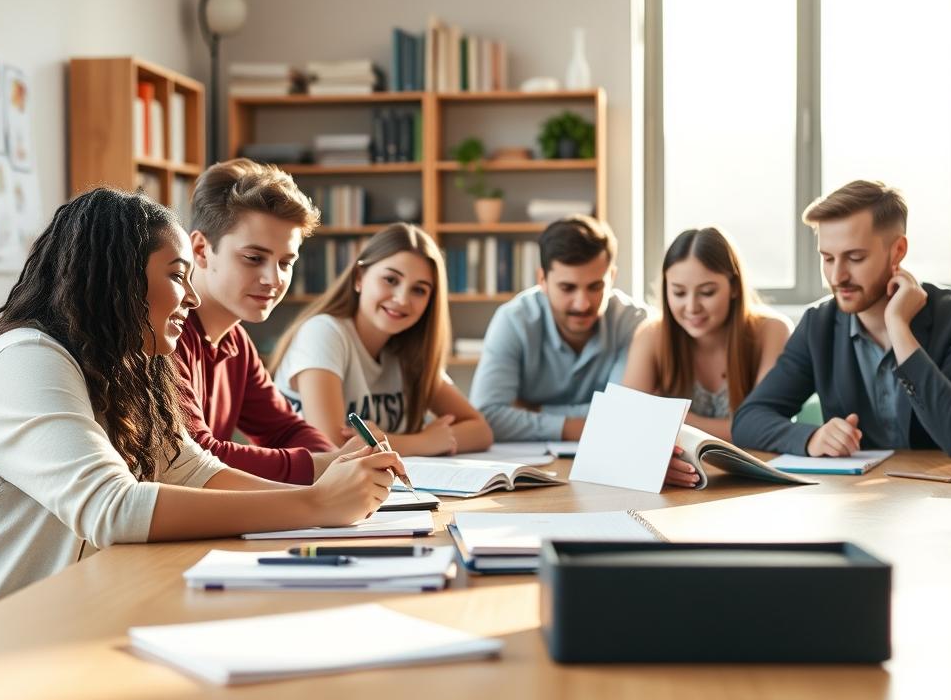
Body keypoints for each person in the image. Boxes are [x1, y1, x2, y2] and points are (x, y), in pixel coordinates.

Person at [0, 188, 400, 637]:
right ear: (118, 276)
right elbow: (111, 508)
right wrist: (314, 506)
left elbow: (193, 470)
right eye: (176, 275)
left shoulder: (129, 366)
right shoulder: (26, 359)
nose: (191, 296)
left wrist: (321, 500)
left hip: (69, 622)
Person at [732, 180, 951, 458]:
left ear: (898, 251)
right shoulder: (818, 325)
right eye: (828, 258)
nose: (837, 277)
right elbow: (748, 420)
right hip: (857, 495)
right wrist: (811, 437)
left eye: (855, 258)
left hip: (948, 494)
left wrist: (899, 327)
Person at [469, 215, 700, 487]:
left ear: (611, 276)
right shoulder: (513, 319)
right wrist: (577, 424)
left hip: (612, 471)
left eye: (595, 287)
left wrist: (533, 409)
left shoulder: (638, 324)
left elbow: (624, 419)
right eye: (567, 288)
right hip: (526, 475)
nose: (582, 303)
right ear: (542, 279)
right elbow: (487, 416)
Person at [174, 159, 356, 486]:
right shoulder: (166, 334)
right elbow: (195, 456)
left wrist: (335, 460)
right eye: (254, 258)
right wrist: (326, 465)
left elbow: (285, 429)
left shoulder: (236, 342)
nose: (273, 279)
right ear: (201, 250)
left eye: (286, 263)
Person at [269, 223, 493, 456]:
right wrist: (425, 442)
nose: (402, 299)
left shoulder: (408, 350)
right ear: (359, 278)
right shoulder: (323, 332)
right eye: (390, 280)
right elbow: (332, 447)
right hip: (302, 488)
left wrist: (395, 443)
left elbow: (480, 430)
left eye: (419, 290)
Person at [622, 227, 792, 442]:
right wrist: (737, 427)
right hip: (680, 473)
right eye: (679, 292)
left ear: (734, 287)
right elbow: (626, 422)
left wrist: (670, 419)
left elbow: (765, 427)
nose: (692, 307)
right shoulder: (652, 335)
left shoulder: (772, 331)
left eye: (707, 292)